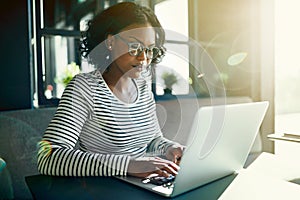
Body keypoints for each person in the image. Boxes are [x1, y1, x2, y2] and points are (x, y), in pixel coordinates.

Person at [37, 2, 184, 179]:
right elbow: (48, 157)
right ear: (110, 41)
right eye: (135, 47)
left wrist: (169, 147)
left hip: (144, 183)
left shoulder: (143, 88)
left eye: (150, 49)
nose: (144, 58)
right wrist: (129, 165)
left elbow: (152, 140)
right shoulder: (84, 88)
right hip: (104, 188)